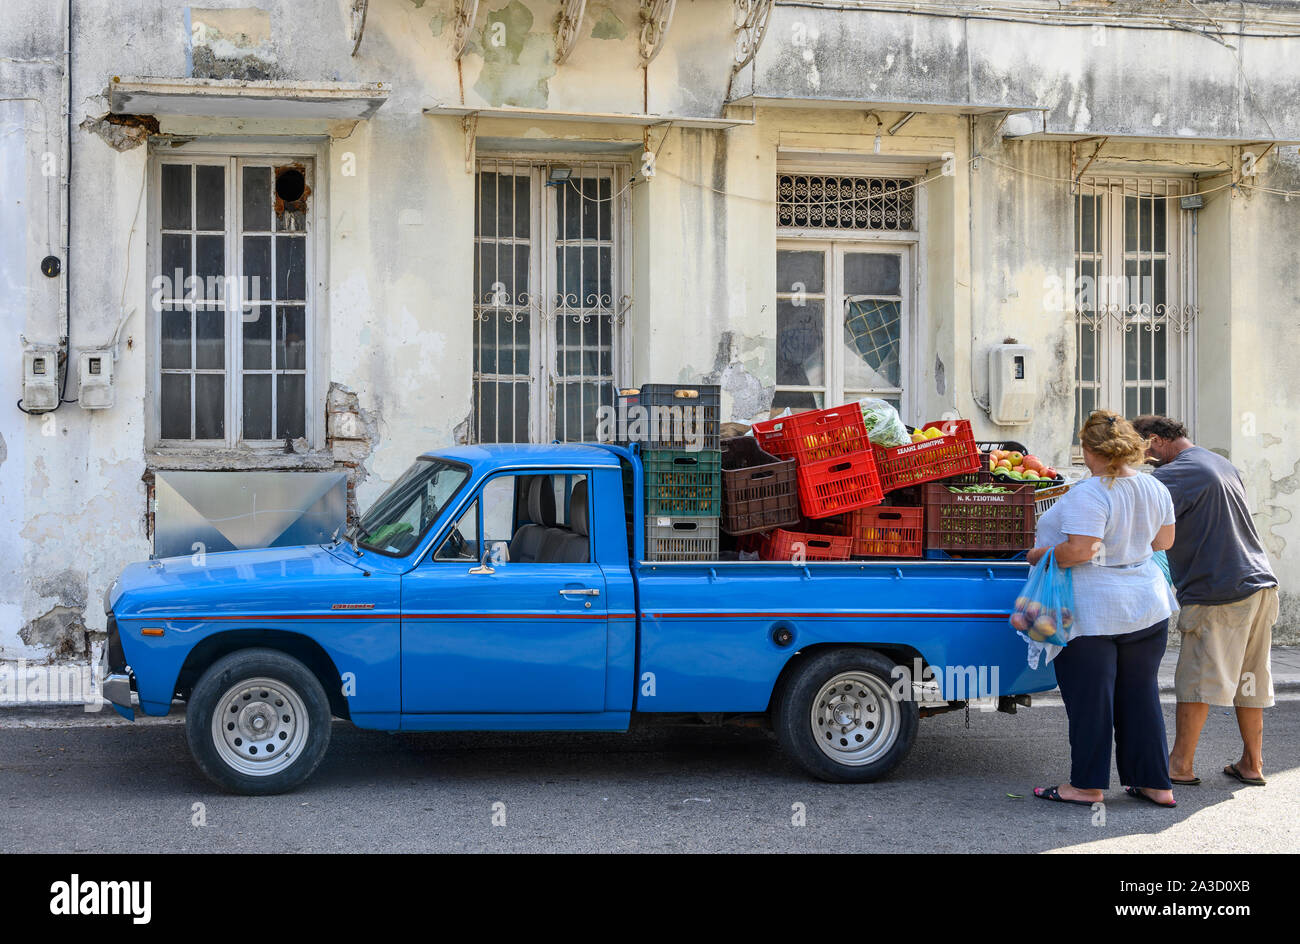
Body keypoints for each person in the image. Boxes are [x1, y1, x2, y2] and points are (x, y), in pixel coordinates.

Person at [1027, 411, 1179, 808]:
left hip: (1093, 611)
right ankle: (1155, 784)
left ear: (1088, 449)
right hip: (1147, 606)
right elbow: (1163, 542)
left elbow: (1081, 550)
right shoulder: (1153, 487)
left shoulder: (1089, 492)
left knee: (1091, 700)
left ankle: (1087, 786)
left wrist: (1039, 554)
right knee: (1141, 694)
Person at [1132, 415, 1279, 788]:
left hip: (1218, 588)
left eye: (1142, 449)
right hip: (1260, 582)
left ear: (1155, 441)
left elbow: (1136, 519)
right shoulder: (1218, 461)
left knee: (1197, 678)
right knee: (1250, 678)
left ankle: (1179, 765)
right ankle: (1252, 762)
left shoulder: (1174, 474)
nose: (1141, 458)